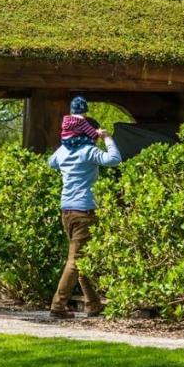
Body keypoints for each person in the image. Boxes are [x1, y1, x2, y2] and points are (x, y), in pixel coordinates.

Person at [47, 96, 121, 318]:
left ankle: (93, 303)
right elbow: (114, 159)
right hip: (84, 211)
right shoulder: (88, 152)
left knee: (82, 257)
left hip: (66, 210)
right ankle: (58, 306)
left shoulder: (63, 151)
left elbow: (52, 163)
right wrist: (107, 138)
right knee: (76, 260)